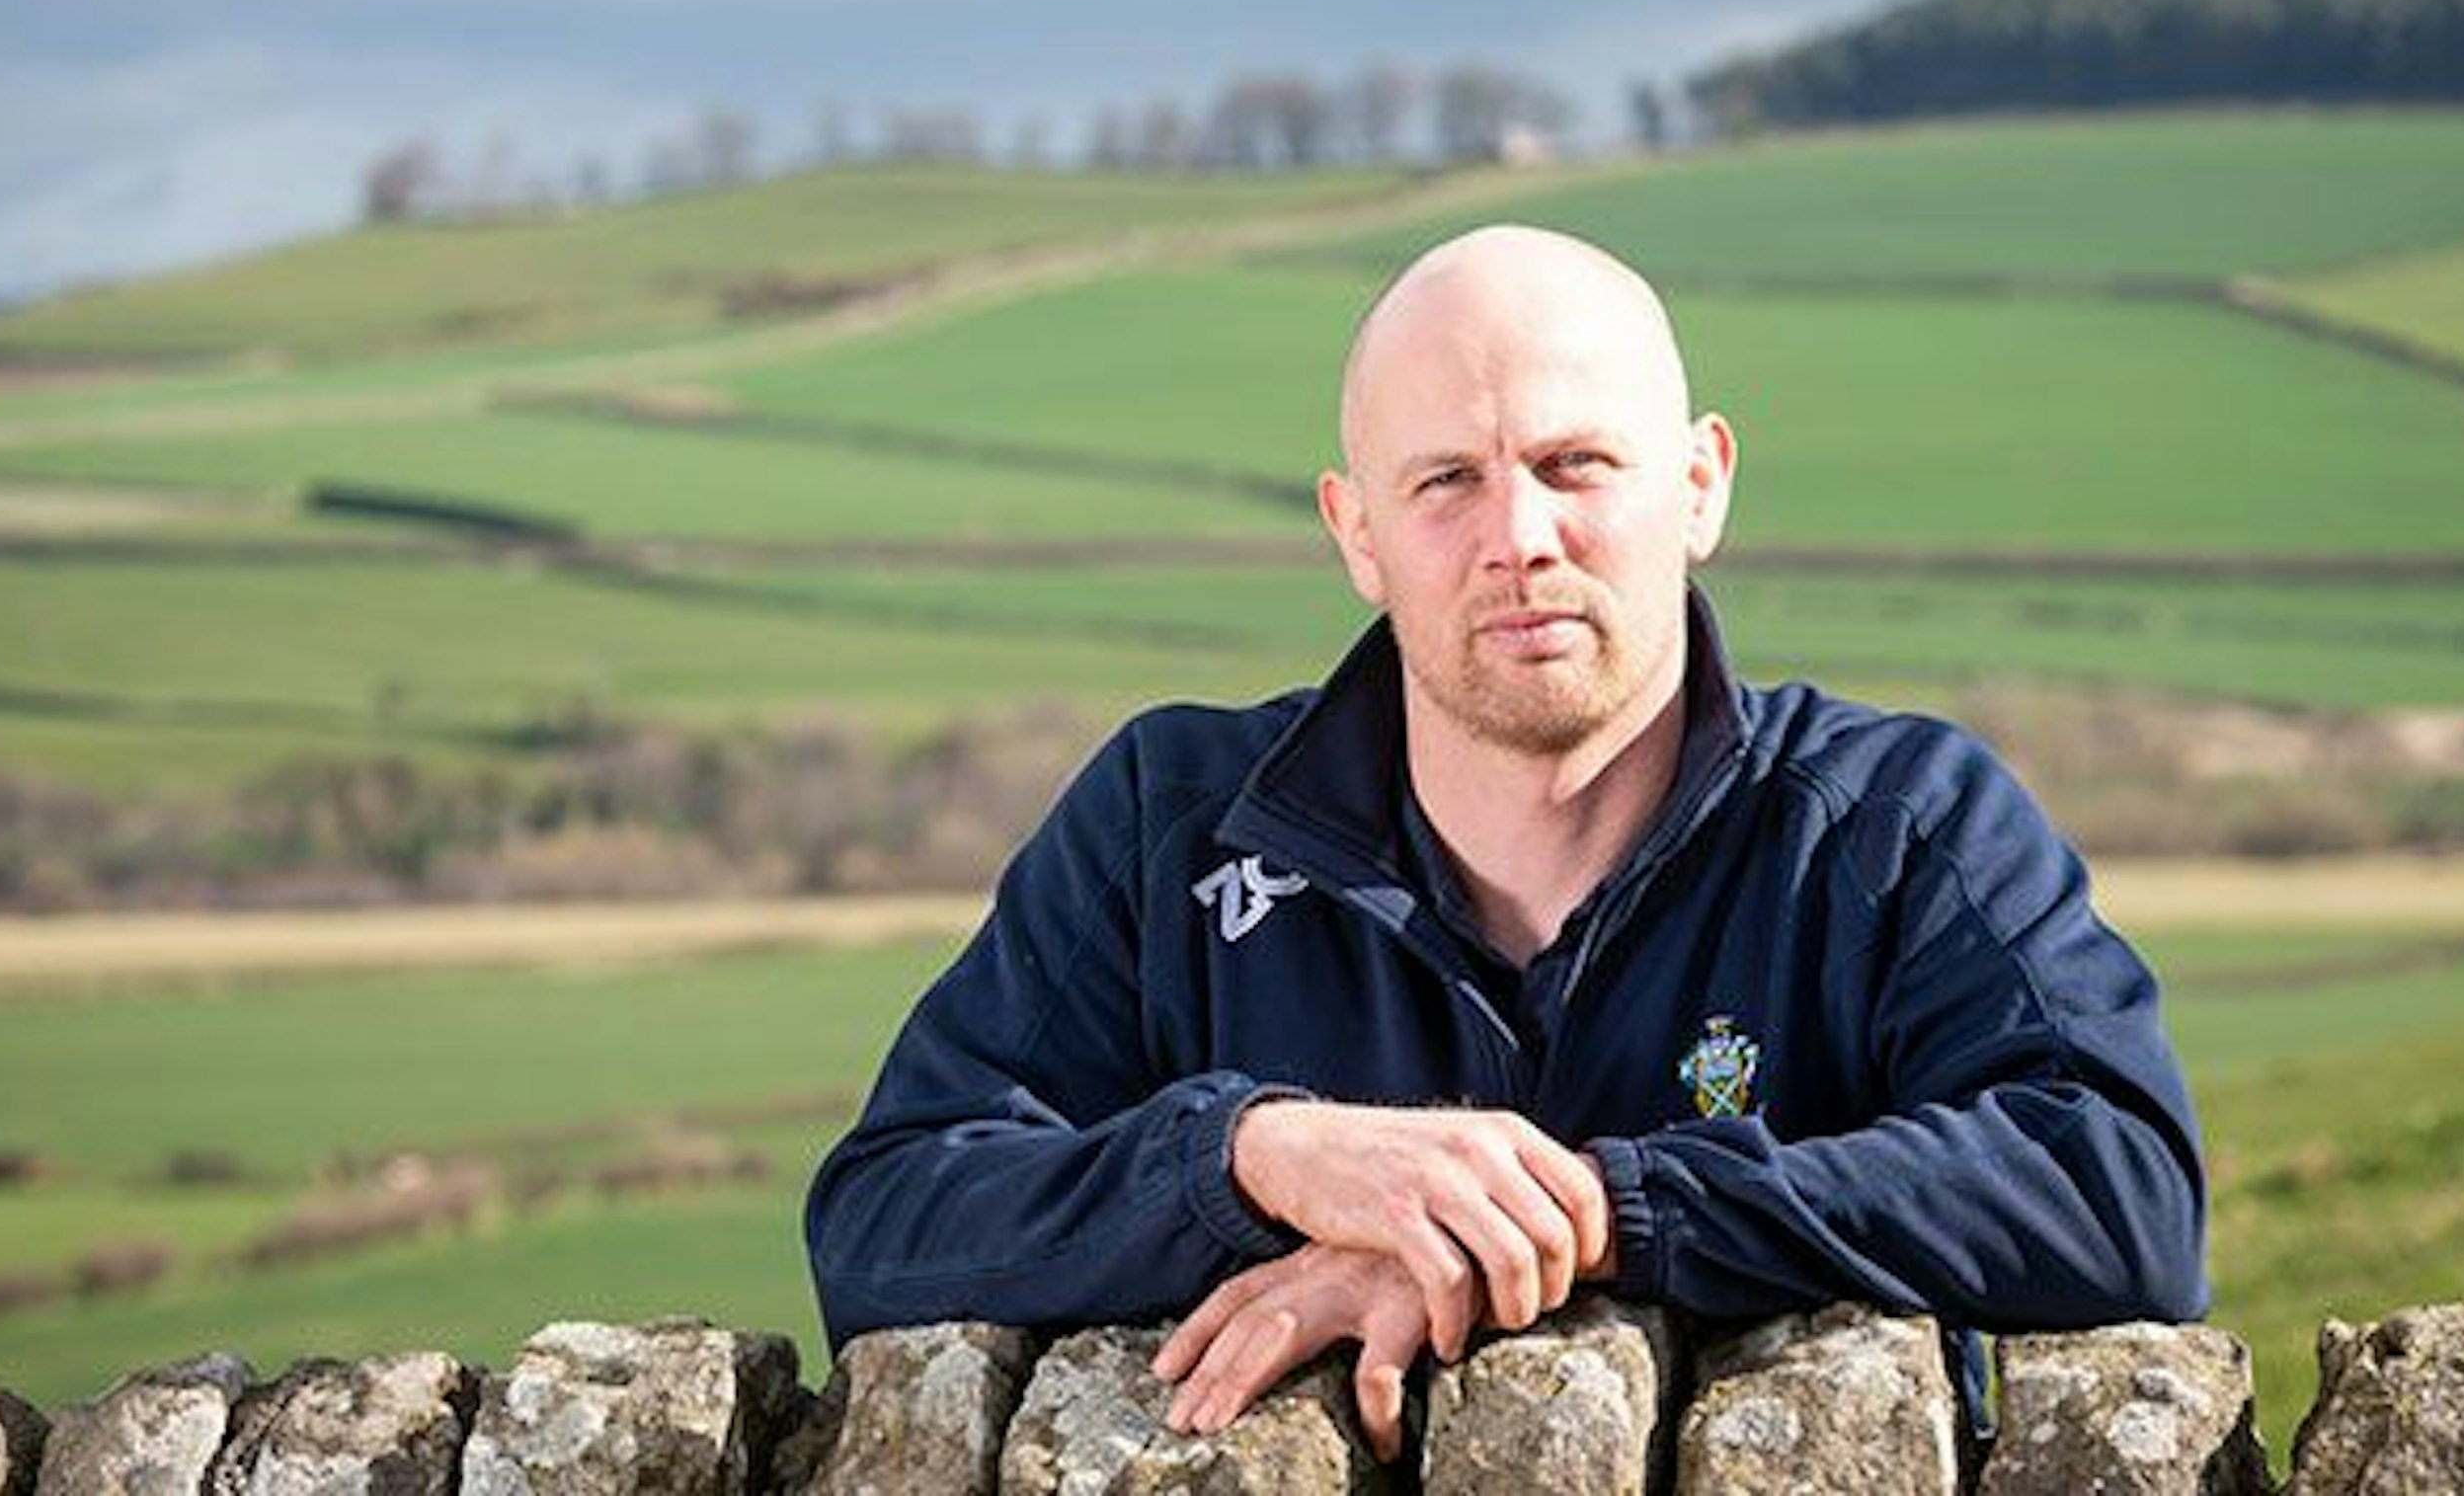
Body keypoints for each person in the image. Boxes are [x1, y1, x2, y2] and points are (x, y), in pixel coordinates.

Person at [804, 224, 2206, 1459]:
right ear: (1356, 531)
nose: (1518, 535)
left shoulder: (1900, 825)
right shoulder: (1166, 824)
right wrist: (1250, 1158)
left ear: (1703, 482)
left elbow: (2118, 1191)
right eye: (1447, 481)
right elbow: (884, 1219)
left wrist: (1596, 1209)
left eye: (1572, 462)